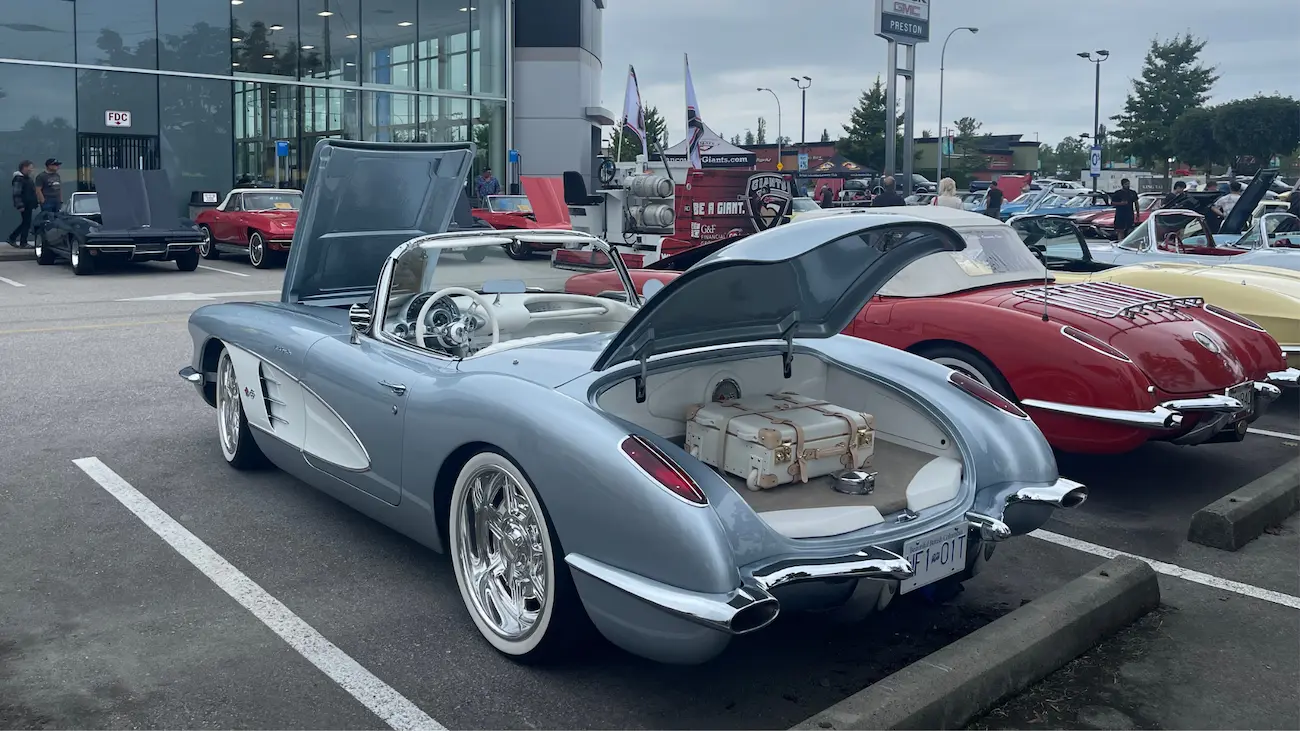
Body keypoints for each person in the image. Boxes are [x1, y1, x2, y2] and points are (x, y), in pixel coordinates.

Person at [8, 160, 37, 248]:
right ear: (24, 167)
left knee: (26, 223)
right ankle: (22, 242)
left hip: (28, 204)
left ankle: (13, 238)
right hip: (24, 204)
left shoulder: (27, 178)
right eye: (30, 167)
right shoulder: (19, 179)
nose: (31, 169)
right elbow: (16, 193)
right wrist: (20, 205)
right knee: (26, 223)